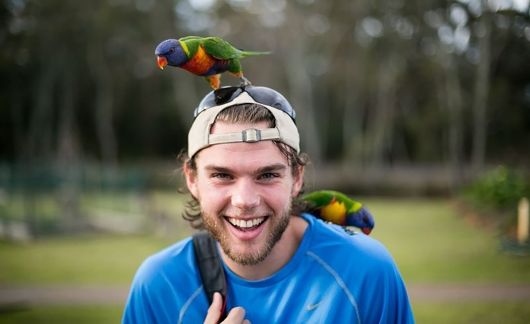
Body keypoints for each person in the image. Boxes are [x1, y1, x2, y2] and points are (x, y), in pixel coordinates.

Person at [122, 85, 415, 323]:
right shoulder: (160, 285)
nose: (245, 201)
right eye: (222, 175)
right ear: (192, 179)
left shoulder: (366, 273)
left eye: (268, 174)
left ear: (297, 177)